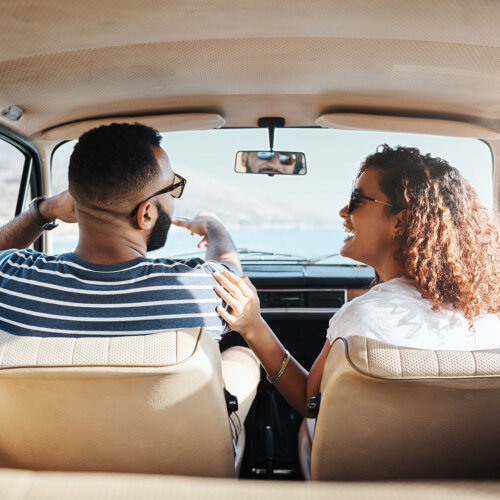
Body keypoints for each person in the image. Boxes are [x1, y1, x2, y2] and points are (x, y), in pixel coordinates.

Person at [0, 122, 259, 435]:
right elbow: (233, 276)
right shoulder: (201, 291)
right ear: (146, 214)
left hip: (41, 461)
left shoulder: (10, 276)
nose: (175, 197)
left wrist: (41, 211)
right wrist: (213, 226)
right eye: (173, 187)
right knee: (242, 356)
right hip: (172, 463)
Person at [213, 144, 500, 418]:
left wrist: (252, 325)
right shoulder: (487, 319)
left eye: (356, 200)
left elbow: (308, 402)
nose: (343, 212)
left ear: (399, 221)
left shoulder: (361, 318)